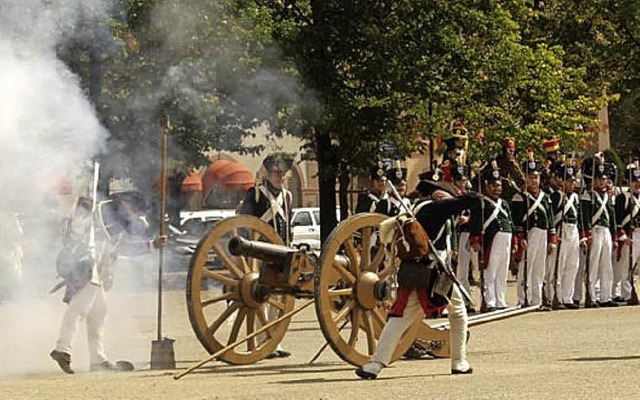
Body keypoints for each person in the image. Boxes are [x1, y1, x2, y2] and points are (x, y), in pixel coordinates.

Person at [355, 177, 478, 379]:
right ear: (439, 195)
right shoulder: (435, 208)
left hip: (422, 270)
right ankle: (458, 361)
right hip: (432, 273)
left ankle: (375, 365)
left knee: (408, 317)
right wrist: (469, 192)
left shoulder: (417, 207)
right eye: (448, 195)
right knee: (453, 314)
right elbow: (470, 201)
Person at [50, 192, 166, 374]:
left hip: (98, 270)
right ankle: (62, 349)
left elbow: (121, 246)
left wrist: (151, 245)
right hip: (86, 268)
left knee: (98, 315)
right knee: (79, 309)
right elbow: (81, 236)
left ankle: (97, 359)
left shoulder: (112, 221)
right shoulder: (94, 217)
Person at [239, 152, 294, 358]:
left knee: (280, 297)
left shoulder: (287, 196)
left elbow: (288, 225)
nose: (279, 177)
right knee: (261, 295)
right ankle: (262, 340)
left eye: (282, 174)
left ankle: (275, 341)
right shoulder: (256, 194)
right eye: (276, 173)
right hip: (261, 252)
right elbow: (244, 222)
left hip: (282, 252)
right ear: (268, 174)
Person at [511, 154, 557, 309]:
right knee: (526, 268)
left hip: (542, 234)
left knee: (539, 269)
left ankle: (536, 300)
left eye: (536, 177)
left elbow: (550, 219)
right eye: (530, 177)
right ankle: (523, 299)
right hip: (529, 235)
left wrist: (552, 240)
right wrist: (521, 237)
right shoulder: (520, 197)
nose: (533, 181)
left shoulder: (545, 197)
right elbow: (517, 221)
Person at [469, 162, 514, 312]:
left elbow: (510, 222)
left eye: (499, 186)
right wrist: (475, 239)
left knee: (502, 271)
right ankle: (490, 301)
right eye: (494, 186)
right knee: (490, 271)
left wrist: (515, 241)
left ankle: (501, 300)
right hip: (491, 239)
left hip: (505, 239)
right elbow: (475, 223)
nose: (497, 189)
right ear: (487, 186)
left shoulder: (504, 203)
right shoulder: (481, 203)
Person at [579, 159, 621, 308]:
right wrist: (587, 234)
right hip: (595, 231)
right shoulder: (588, 196)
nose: (602, 182)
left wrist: (615, 236)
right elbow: (584, 217)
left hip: (606, 231)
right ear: (595, 180)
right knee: (593, 264)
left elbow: (612, 218)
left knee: (606, 265)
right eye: (600, 179)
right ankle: (592, 295)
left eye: (604, 179)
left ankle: (606, 295)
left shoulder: (607, 197)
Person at [544, 162, 582, 310]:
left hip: (573, 231)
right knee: (557, 267)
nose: (572, 184)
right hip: (561, 230)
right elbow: (551, 217)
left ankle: (568, 297)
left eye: (573, 181)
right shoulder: (556, 196)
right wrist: (553, 235)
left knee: (572, 266)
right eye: (569, 181)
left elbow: (580, 218)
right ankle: (555, 296)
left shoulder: (575, 197)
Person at [612, 161, 640, 304]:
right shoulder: (623, 198)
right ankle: (626, 293)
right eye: (634, 181)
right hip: (628, 236)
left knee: (633, 265)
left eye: (638, 181)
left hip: (638, 235)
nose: (637, 184)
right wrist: (622, 236)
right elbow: (617, 219)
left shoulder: (638, 199)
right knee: (624, 266)